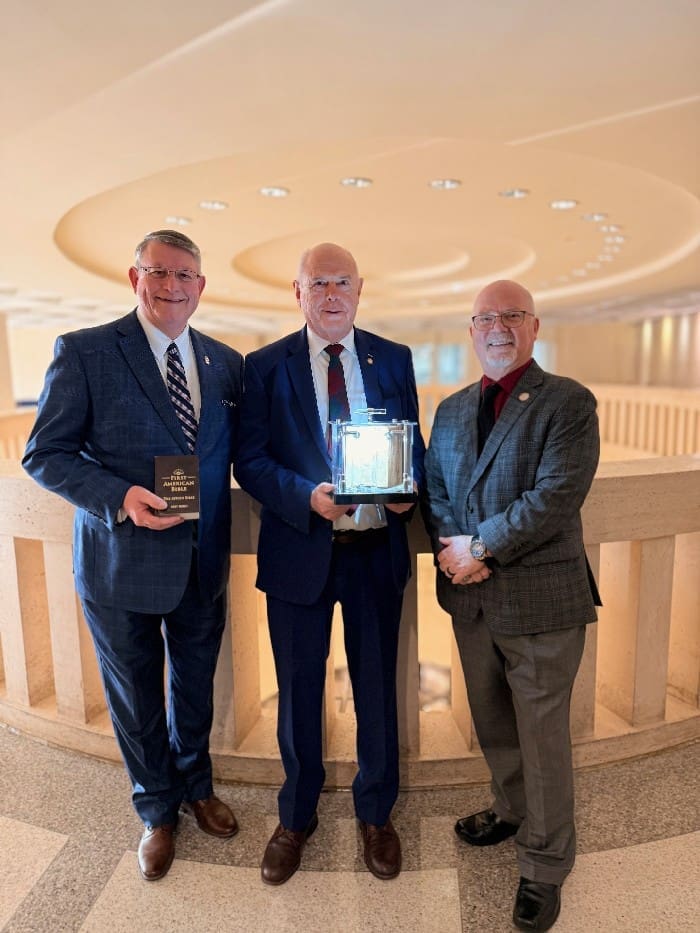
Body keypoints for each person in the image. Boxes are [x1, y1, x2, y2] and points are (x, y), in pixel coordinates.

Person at [23, 229, 244, 882]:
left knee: (195, 690)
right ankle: (156, 809)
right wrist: (119, 495)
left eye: (185, 277)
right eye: (159, 273)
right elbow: (45, 452)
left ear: (201, 288)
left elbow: (240, 450)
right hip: (120, 564)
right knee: (137, 699)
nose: (172, 287)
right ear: (134, 277)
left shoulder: (225, 363)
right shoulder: (87, 352)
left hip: (201, 563)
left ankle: (197, 784)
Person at [234, 242, 425, 885]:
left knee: (376, 689)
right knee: (298, 695)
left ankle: (377, 813)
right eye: (319, 282)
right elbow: (251, 461)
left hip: (375, 552)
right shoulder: (263, 367)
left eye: (342, 281)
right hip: (299, 552)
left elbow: (412, 443)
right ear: (298, 293)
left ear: (360, 288)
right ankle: (297, 816)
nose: (332, 293)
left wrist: (408, 486)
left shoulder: (393, 358)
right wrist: (303, 497)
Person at [422, 280, 600, 932]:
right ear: (471, 330)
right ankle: (513, 806)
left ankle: (547, 862)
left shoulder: (568, 402)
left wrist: (483, 548)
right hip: (470, 601)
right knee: (494, 721)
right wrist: (451, 548)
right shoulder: (450, 407)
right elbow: (436, 486)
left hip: (541, 598)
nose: (498, 326)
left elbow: (556, 495)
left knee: (543, 733)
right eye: (485, 317)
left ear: (534, 325)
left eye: (512, 315)